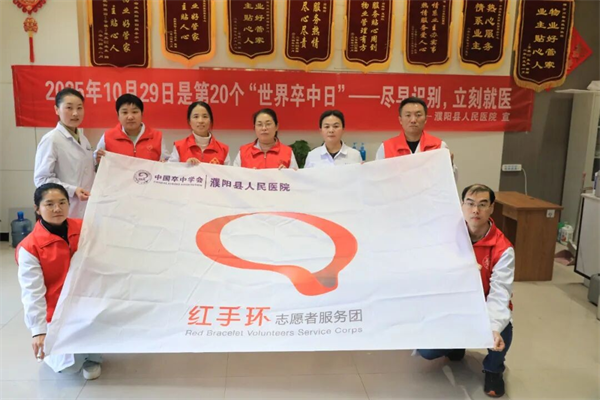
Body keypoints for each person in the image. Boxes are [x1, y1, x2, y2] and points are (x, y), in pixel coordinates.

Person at [417, 184, 514, 398]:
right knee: (427, 351)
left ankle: (493, 369)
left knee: (501, 332)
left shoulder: (503, 248)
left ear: (492, 208)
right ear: (461, 205)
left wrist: (494, 328)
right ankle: (456, 345)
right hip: (453, 306)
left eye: (482, 205)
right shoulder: (447, 236)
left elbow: (500, 294)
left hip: (484, 307)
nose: (475, 210)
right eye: (470, 204)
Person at [16, 183, 102, 379]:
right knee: (68, 367)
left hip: (88, 302)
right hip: (56, 310)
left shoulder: (84, 228)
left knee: (93, 351)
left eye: (62, 202)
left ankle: (92, 353)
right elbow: (32, 292)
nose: (57, 209)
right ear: (37, 209)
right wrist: (38, 331)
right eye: (49, 204)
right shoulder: (30, 247)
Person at [34, 88, 95, 219]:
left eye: (79, 108)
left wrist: (97, 160)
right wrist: (72, 190)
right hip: (62, 210)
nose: (75, 113)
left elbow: (84, 170)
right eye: (69, 108)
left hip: (86, 209)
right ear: (57, 109)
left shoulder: (83, 139)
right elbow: (42, 179)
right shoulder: (51, 139)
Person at [375, 97, 457, 177]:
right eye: (408, 115)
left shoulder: (439, 146)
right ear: (400, 120)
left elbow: (451, 180)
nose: (413, 120)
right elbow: (377, 177)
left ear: (426, 119)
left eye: (418, 115)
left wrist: (450, 165)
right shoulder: (386, 148)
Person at [95, 94, 169, 164]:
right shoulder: (108, 136)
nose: (130, 117)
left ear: (142, 114)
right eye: (125, 112)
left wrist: (165, 163)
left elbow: (166, 161)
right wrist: (97, 158)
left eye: (134, 112)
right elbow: (94, 159)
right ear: (118, 115)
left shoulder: (157, 137)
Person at [233, 108, 298, 169]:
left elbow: (295, 176)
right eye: (259, 124)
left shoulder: (287, 152)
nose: (264, 128)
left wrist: (287, 173)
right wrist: (248, 175)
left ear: (276, 127)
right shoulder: (243, 152)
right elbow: (234, 175)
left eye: (268, 124)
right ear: (254, 128)